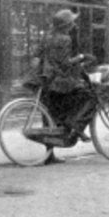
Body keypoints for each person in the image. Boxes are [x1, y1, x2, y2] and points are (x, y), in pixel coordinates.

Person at [27, 8, 94, 140]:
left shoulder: (47, 37)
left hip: (45, 82)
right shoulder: (65, 39)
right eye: (72, 23)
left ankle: (49, 156)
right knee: (89, 96)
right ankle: (76, 126)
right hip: (58, 83)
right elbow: (65, 64)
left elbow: (36, 56)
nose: (74, 25)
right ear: (67, 26)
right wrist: (81, 57)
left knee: (49, 117)